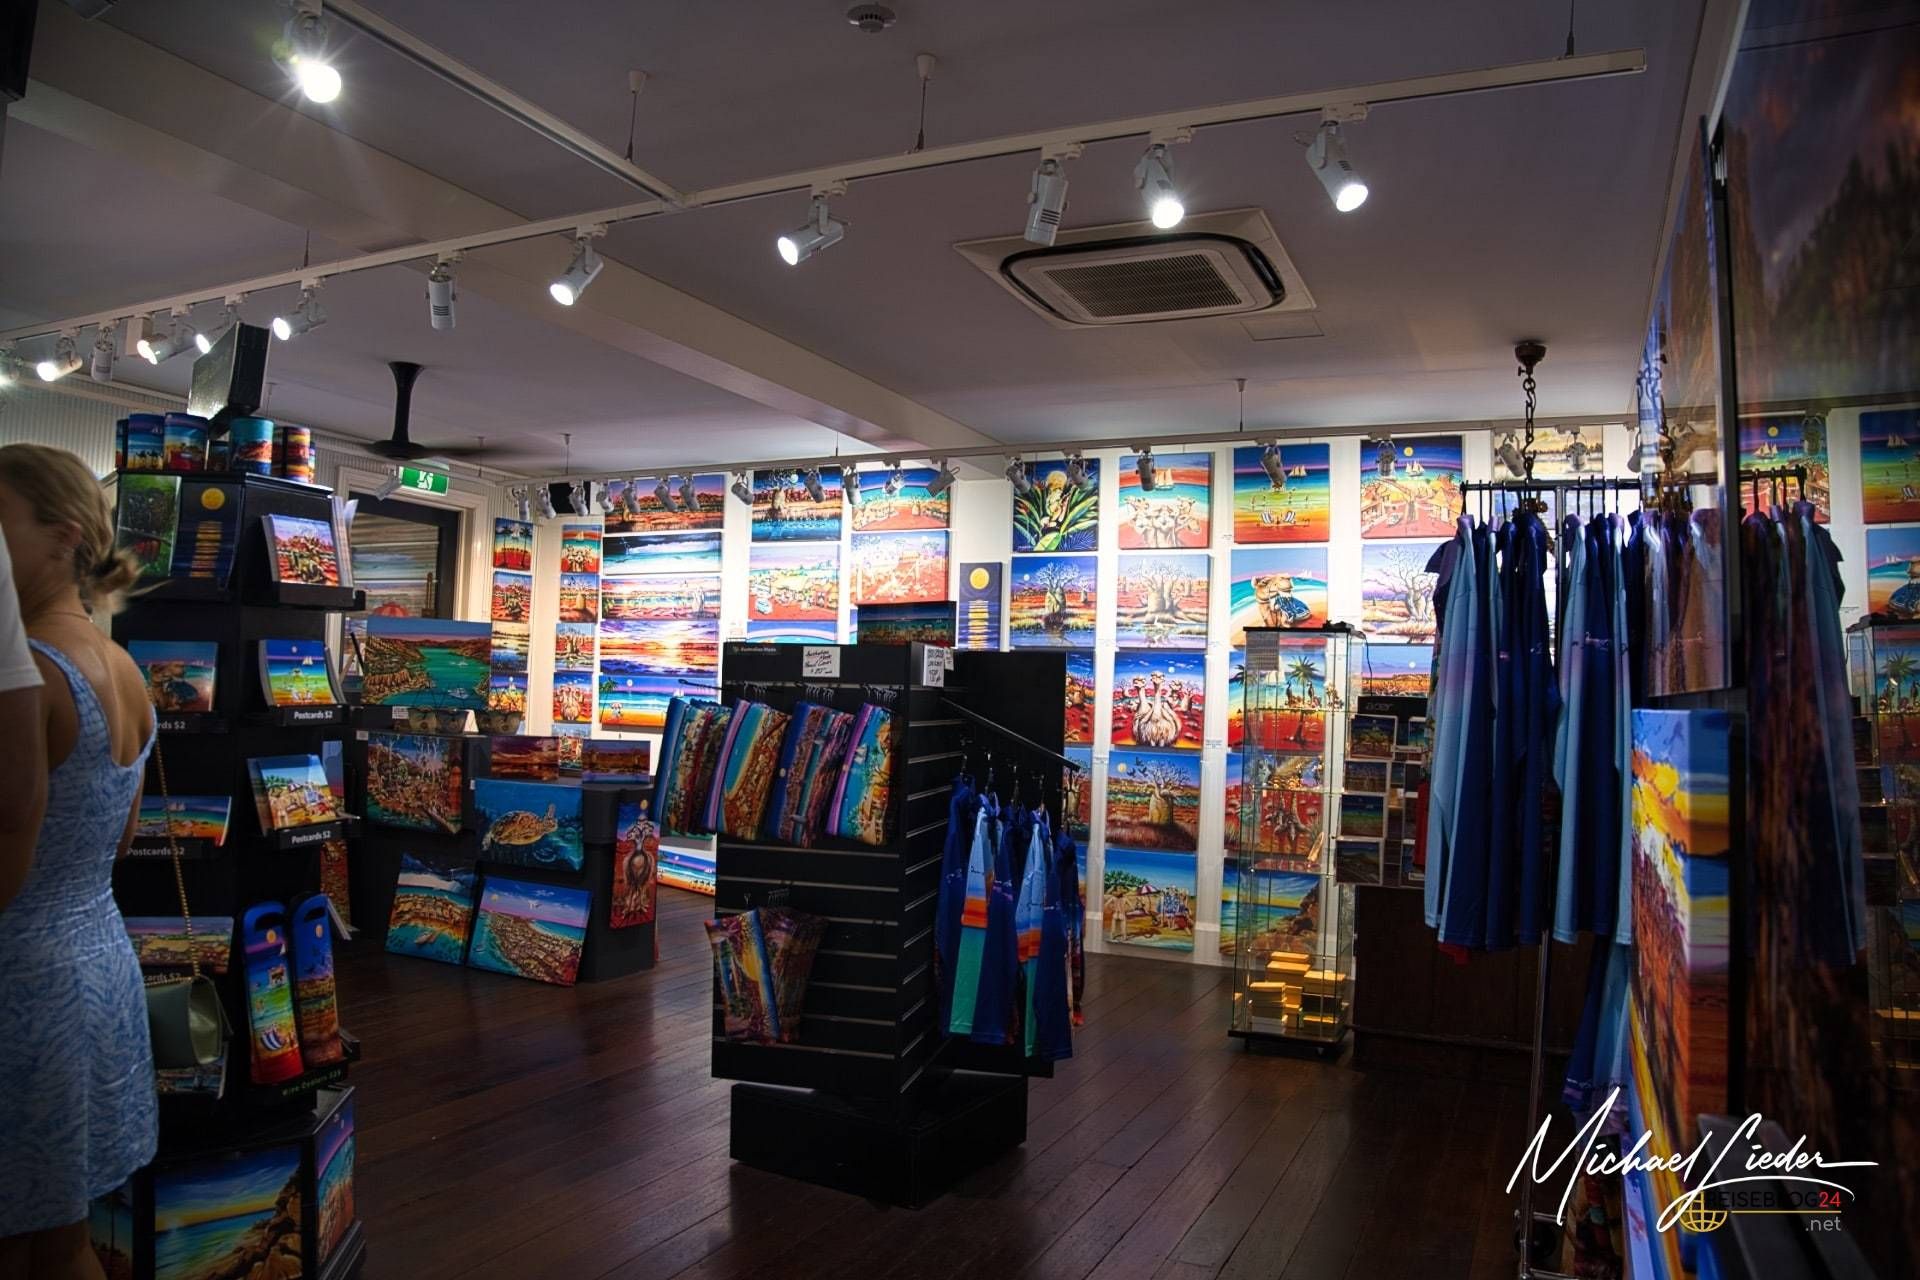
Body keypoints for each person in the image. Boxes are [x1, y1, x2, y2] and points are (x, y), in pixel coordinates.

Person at [0, 444, 155, 1280]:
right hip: (98, 966)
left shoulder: (26, 672)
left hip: (20, 985)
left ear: (61, 537)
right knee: (63, 1243)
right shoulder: (123, 667)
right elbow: (118, 843)